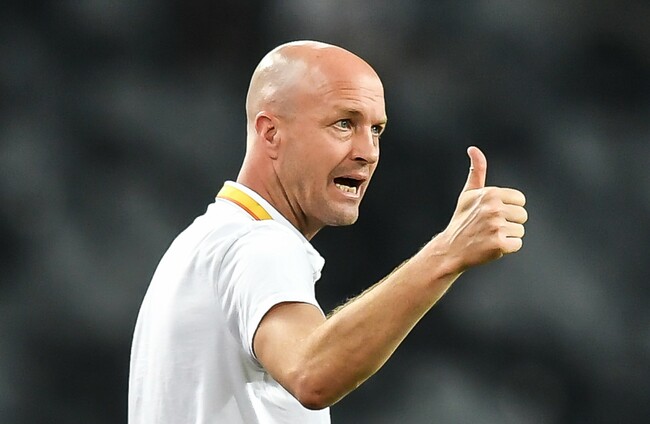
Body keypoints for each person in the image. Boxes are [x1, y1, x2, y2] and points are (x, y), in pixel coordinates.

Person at [128, 40, 528, 424]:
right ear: (270, 133)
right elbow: (311, 372)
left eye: (376, 129)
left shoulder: (200, 243)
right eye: (344, 124)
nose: (368, 152)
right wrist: (447, 253)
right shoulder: (258, 245)